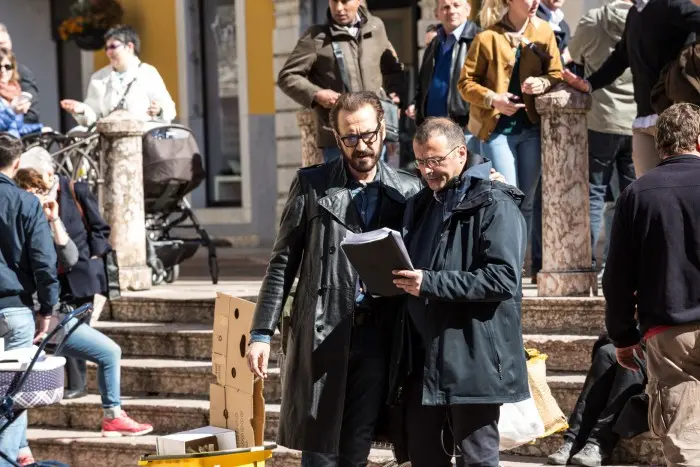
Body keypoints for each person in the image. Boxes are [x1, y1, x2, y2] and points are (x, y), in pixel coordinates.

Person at [246, 91, 421, 466]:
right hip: (323, 333)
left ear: (383, 129)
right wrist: (261, 333)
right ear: (337, 138)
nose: (362, 146)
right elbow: (282, 263)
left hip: (380, 337)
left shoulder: (408, 189)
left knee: (356, 448)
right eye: (350, 138)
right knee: (320, 452)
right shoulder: (312, 184)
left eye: (368, 134)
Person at [391, 117, 528, 467]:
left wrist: (430, 283)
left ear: (461, 153)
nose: (427, 170)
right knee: (424, 457)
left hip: (474, 358)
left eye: (436, 160)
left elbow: (503, 278)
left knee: (477, 459)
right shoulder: (421, 204)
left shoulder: (495, 202)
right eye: (421, 161)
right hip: (424, 360)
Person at [12, 167, 153, 456]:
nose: (38, 196)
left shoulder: (39, 217)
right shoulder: (20, 218)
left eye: (41, 191)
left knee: (109, 351)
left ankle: (112, 416)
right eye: (32, 191)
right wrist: (45, 312)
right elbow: (46, 268)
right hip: (34, 314)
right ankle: (21, 449)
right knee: (15, 382)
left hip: (47, 315)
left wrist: (53, 220)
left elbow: (71, 257)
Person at [604, 103, 700, 465]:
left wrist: (623, 336)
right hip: (670, 327)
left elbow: (617, 276)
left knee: (686, 440)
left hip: (670, 331)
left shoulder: (637, 194)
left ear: (660, 146)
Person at [458, 0, 571, 283]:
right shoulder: (487, 37)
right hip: (497, 131)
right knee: (507, 197)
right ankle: (503, 265)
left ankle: (518, 266)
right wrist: (493, 98)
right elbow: (465, 83)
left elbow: (556, 73)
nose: (535, 2)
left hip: (532, 128)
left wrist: (542, 83)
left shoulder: (544, 31)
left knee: (527, 202)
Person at [563, 0, 700, 178]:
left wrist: (689, 65)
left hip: (675, 119)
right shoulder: (634, 13)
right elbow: (620, 58)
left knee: (681, 185)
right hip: (643, 122)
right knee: (646, 187)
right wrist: (590, 84)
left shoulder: (671, 4)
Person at [19, 147, 110, 401]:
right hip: (54, 276)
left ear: (50, 174)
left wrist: (93, 255)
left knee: (77, 330)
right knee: (58, 330)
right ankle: (62, 381)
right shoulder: (32, 199)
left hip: (81, 274)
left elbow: (100, 227)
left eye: (38, 178)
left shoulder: (76, 190)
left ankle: (78, 384)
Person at [277, 0, 404, 162]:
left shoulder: (376, 27)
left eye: (344, 1)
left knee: (378, 180)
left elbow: (392, 69)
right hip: (338, 140)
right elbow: (287, 76)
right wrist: (317, 94)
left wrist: (394, 96)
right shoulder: (315, 37)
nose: (339, 8)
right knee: (340, 180)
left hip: (374, 135)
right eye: (334, 1)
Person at [0, 134, 58, 466]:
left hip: (13, 308)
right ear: (18, 163)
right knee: (13, 395)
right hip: (14, 308)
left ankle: (16, 454)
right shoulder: (25, 202)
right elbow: (44, 262)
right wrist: (46, 309)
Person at [567, 0, 636, 274]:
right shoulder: (646, 19)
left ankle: (586, 266)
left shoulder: (593, 19)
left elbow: (573, 53)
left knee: (594, 193)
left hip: (601, 118)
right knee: (630, 197)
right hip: (637, 120)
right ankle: (624, 266)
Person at [547, 334, 647, 466]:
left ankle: (599, 442)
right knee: (606, 352)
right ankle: (575, 440)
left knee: (631, 358)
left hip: (664, 349)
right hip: (645, 338)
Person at [60, 25, 176, 129]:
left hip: (142, 139)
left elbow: (169, 109)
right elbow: (93, 116)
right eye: (106, 48)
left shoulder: (147, 72)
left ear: (129, 47)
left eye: (113, 46)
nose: (108, 52)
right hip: (110, 141)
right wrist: (81, 110)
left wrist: (159, 110)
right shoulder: (98, 78)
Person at [406, 0, 481, 154]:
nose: (451, 11)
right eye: (445, 7)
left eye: (456, 5)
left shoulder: (479, 39)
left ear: (467, 9)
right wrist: (417, 104)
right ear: (437, 14)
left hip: (465, 128)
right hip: (433, 129)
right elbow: (424, 80)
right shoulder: (435, 42)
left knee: (470, 168)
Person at [0, 24, 40, 124]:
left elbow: (31, 115)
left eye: (8, 67)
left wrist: (14, 114)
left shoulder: (22, 73)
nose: (3, 71)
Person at [0, 48, 42, 138]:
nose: (3, 71)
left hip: (13, 143)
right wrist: (12, 111)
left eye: (7, 67)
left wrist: (39, 129)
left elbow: (16, 128)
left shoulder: (15, 89)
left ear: (13, 69)